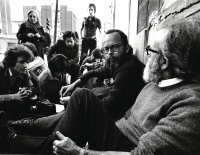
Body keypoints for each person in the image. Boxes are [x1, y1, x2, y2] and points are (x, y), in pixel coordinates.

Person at [3, 17, 200, 155]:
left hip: (127, 147)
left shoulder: (190, 103)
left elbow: (142, 153)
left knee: (82, 99)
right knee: (81, 97)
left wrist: (81, 152)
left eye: (151, 51)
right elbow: (101, 73)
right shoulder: (156, 83)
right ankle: (27, 136)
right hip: (116, 132)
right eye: (105, 49)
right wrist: (79, 85)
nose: (148, 56)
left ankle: (22, 141)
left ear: (164, 62)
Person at [62, 29, 145, 121]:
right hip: (115, 109)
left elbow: (108, 107)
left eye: (115, 47)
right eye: (106, 49)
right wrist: (72, 85)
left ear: (126, 48)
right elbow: (94, 72)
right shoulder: (118, 61)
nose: (109, 53)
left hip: (118, 118)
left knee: (74, 114)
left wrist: (76, 101)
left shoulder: (127, 69)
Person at [0, 44, 37, 120]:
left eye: (27, 62)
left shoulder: (23, 71)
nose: (25, 66)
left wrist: (27, 92)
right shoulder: (1, 70)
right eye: (22, 62)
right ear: (11, 61)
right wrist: (13, 96)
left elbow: (31, 87)